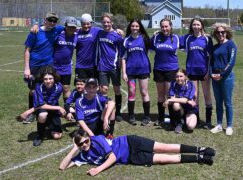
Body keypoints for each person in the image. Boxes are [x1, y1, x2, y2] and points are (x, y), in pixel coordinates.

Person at [59, 129, 216, 176]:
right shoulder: (82, 154)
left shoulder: (97, 139)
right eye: (82, 143)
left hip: (129, 141)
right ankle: (199, 158)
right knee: (161, 159)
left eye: (87, 141)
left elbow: (112, 156)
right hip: (131, 157)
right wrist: (73, 149)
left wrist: (97, 169)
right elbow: (62, 167)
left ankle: (199, 149)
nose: (86, 144)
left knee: (164, 147)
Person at [23, 12, 64, 124]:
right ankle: (32, 113)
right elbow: (27, 50)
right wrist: (27, 68)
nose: (52, 22)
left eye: (54, 21)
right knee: (33, 90)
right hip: (35, 66)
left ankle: (50, 112)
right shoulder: (35, 32)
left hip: (48, 66)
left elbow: (73, 27)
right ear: (45, 19)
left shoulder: (56, 29)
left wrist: (115, 30)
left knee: (49, 88)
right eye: (50, 20)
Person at [180, 16, 213, 129]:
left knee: (207, 95)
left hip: (204, 72)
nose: (196, 26)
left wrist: (208, 71)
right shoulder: (187, 38)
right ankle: (197, 119)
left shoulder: (207, 39)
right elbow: (172, 37)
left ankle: (208, 122)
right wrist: (157, 32)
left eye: (198, 24)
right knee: (194, 96)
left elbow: (210, 56)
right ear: (191, 26)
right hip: (191, 71)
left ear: (202, 26)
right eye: (194, 24)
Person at [151, 18, 181, 126]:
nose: (164, 28)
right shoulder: (156, 37)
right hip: (158, 69)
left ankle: (173, 119)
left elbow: (190, 39)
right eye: (162, 26)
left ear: (170, 27)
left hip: (171, 70)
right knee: (160, 95)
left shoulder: (176, 38)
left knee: (170, 95)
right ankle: (161, 118)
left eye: (166, 26)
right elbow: (145, 42)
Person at [121, 19, 151, 126]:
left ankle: (147, 116)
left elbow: (153, 47)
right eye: (133, 26)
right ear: (130, 27)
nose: (134, 28)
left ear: (140, 27)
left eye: (137, 26)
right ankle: (131, 116)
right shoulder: (126, 40)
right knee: (132, 92)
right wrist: (124, 73)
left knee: (144, 92)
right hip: (131, 71)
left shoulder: (145, 39)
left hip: (143, 69)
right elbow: (123, 58)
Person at [210, 23, 237, 136]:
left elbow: (231, 62)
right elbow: (211, 62)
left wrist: (221, 74)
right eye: (218, 32)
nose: (220, 34)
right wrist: (212, 74)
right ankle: (219, 125)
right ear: (215, 34)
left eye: (222, 32)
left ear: (226, 33)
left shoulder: (231, 45)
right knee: (218, 102)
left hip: (226, 77)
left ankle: (229, 126)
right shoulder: (215, 47)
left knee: (228, 102)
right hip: (215, 78)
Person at [97, 13, 123, 122]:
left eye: (108, 22)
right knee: (104, 89)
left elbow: (121, 51)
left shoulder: (117, 35)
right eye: (104, 22)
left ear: (112, 22)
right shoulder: (99, 33)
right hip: (102, 66)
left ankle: (118, 112)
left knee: (117, 89)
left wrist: (121, 64)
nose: (106, 24)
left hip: (114, 66)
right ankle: (103, 110)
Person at [32, 66, 66, 146]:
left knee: (57, 136)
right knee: (43, 115)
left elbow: (50, 103)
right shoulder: (38, 86)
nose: (48, 81)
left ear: (54, 78)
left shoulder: (59, 87)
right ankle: (39, 135)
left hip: (52, 108)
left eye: (50, 78)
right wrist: (58, 107)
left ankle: (48, 124)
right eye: (45, 79)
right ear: (42, 80)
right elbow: (41, 105)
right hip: (42, 109)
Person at [163, 69, 198, 133]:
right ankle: (178, 124)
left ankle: (183, 120)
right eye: (177, 76)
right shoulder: (173, 84)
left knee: (190, 127)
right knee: (175, 104)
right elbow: (173, 98)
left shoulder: (190, 85)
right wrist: (185, 100)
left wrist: (170, 99)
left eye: (181, 76)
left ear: (185, 76)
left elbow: (184, 100)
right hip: (180, 108)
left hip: (189, 111)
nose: (179, 78)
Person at [53, 16, 78, 102]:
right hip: (54, 67)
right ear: (65, 26)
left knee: (66, 88)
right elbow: (48, 28)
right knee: (53, 88)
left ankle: (68, 109)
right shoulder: (58, 34)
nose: (71, 28)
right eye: (69, 26)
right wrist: (37, 26)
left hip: (67, 67)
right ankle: (53, 108)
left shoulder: (76, 36)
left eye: (73, 27)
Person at [75, 14, 101, 82]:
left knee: (93, 88)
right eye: (84, 24)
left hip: (92, 66)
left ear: (91, 23)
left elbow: (108, 31)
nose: (86, 26)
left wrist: (118, 30)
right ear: (81, 24)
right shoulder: (77, 33)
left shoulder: (97, 31)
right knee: (81, 88)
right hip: (80, 66)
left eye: (88, 24)